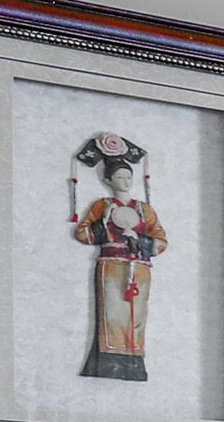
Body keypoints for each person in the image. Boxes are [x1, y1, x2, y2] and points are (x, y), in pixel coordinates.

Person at [68, 130, 168, 381]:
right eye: (119, 177)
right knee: (113, 315)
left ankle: (134, 364)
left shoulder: (144, 209)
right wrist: (104, 226)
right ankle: (108, 363)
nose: (125, 181)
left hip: (140, 268)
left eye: (128, 176)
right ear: (109, 180)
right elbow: (83, 233)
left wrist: (140, 241)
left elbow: (161, 240)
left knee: (137, 317)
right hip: (112, 266)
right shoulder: (101, 206)